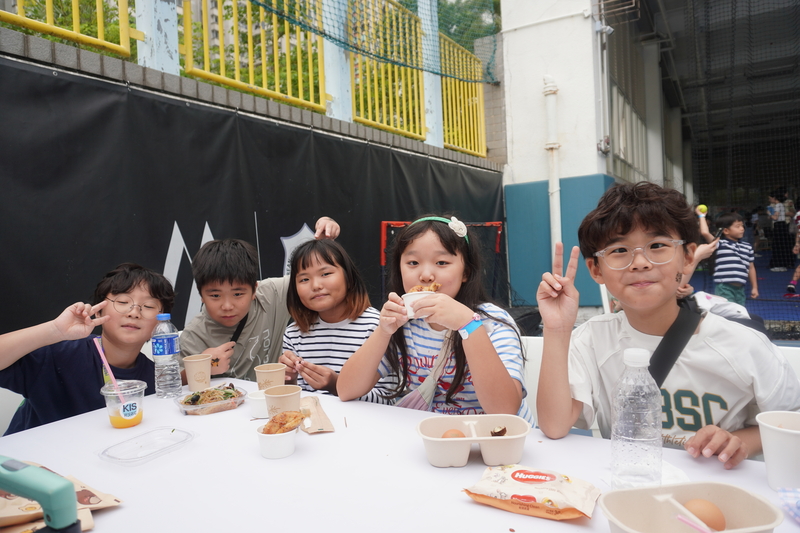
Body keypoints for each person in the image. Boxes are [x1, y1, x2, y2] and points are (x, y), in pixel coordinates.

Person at [536, 182, 800, 469]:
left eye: (657, 246)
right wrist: (557, 330)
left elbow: (792, 421)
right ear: (596, 269)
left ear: (687, 257)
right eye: (620, 250)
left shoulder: (744, 345)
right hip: (628, 484)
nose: (639, 262)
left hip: (716, 486)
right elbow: (554, 426)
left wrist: (739, 442)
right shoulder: (592, 339)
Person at [337, 215, 534, 424]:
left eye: (441, 262)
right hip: (435, 436)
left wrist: (469, 325)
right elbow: (346, 390)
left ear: (466, 272)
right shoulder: (403, 325)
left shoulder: (493, 323)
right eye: (413, 263)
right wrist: (383, 332)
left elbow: (505, 410)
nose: (426, 275)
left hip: (495, 436)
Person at [0, 263, 175, 435]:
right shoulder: (58, 354)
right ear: (98, 310)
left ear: (161, 320)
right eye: (123, 301)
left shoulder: (157, 379)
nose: (134, 313)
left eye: (148, 306)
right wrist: (55, 330)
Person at [179, 217, 340, 382]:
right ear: (201, 295)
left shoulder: (272, 294)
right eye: (215, 296)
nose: (227, 306)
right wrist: (203, 366)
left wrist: (323, 244)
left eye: (238, 294)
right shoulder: (194, 336)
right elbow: (174, 383)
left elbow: (311, 281)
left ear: (254, 289)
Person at [280, 239, 397, 404]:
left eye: (325, 274)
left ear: (349, 277)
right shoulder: (293, 333)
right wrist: (288, 378)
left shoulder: (378, 327)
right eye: (304, 279)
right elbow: (292, 400)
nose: (316, 285)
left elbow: (388, 400)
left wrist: (336, 385)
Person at [696, 210, 758, 306]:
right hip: (724, 288)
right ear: (726, 231)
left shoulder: (747, 247)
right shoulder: (720, 244)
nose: (742, 229)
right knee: (727, 311)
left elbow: (751, 267)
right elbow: (705, 232)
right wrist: (701, 216)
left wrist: (755, 287)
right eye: (737, 226)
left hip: (740, 289)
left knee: (739, 311)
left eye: (742, 226)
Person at [768, 191, 792, 271]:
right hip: (781, 226)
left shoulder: (778, 205)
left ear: (774, 198)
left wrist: (770, 213)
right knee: (781, 245)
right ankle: (782, 264)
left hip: (779, 226)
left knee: (778, 246)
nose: (769, 200)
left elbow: (775, 217)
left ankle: (779, 265)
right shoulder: (779, 205)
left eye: (770, 198)